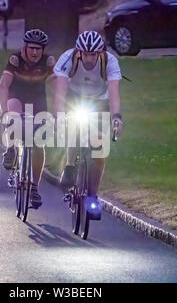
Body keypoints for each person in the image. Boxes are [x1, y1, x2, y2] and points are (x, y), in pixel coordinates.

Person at [53, 30, 123, 219]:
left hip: (100, 100)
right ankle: (69, 166)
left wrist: (117, 117)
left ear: (100, 53)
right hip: (74, 96)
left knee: (99, 149)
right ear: (79, 53)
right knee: (73, 124)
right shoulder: (68, 59)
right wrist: (59, 115)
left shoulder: (110, 62)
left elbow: (114, 91)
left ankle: (92, 196)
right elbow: (60, 89)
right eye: (86, 54)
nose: (89, 58)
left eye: (93, 54)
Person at [0, 29, 56, 209]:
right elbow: (3, 86)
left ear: (43, 50)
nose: (34, 52)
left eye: (38, 49)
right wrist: (3, 112)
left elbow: (57, 88)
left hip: (38, 100)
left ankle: (34, 188)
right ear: (25, 47)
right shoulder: (16, 60)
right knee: (13, 112)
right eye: (31, 48)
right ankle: (10, 149)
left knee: (38, 143)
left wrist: (58, 111)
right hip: (18, 96)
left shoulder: (48, 61)